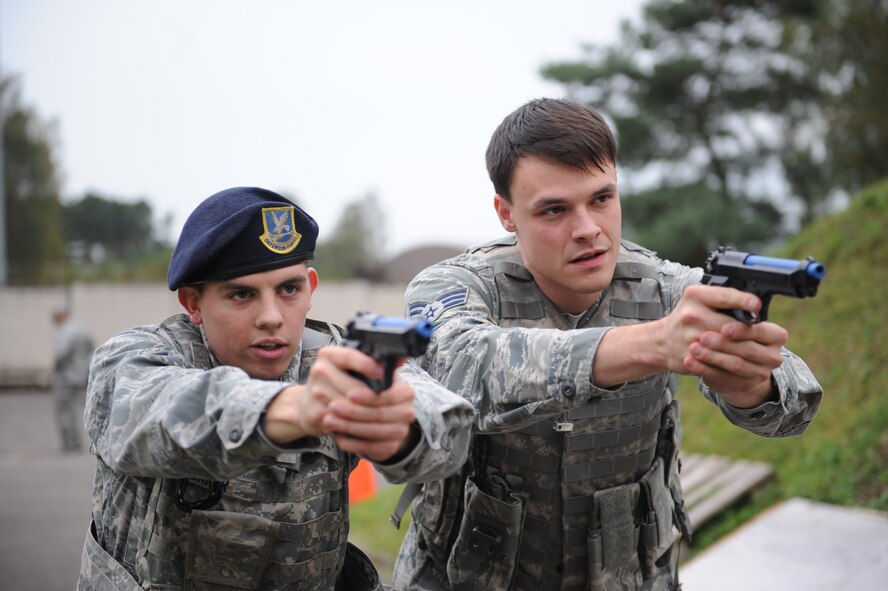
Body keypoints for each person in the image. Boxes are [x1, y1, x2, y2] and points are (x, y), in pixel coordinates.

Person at [392, 98, 823, 591]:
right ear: (506, 214)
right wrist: (651, 344)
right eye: (555, 209)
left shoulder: (668, 288)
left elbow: (795, 405)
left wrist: (752, 384)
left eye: (602, 199)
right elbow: (462, 365)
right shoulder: (453, 287)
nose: (588, 230)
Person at [77, 186, 474, 590]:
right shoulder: (137, 355)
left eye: (288, 289)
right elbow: (153, 413)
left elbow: (446, 424)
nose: (271, 317)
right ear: (193, 302)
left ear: (311, 289)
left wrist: (401, 433)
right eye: (241, 294)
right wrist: (294, 408)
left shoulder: (338, 359)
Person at [50, 308, 94, 452]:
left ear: (60, 316)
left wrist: (55, 369)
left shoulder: (65, 332)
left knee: (64, 410)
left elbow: (62, 354)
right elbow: (92, 349)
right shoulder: (82, 329)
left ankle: (70, 441)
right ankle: (75, 439)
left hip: (65, 376)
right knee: (77, 408)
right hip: (80, 374)